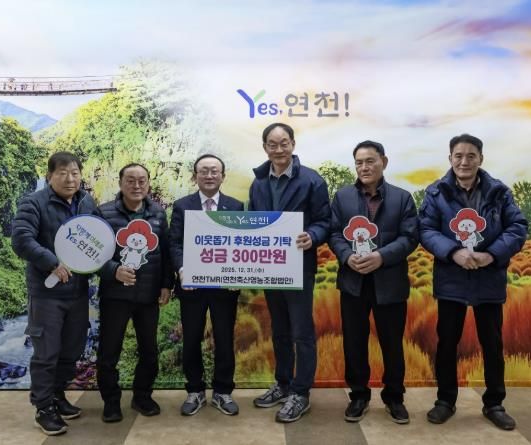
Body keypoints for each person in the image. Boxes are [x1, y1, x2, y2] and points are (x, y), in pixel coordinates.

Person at [418, 134, 528, 430]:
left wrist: (492, 255)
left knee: (492, 343)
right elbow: (426, 229)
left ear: (481, 159)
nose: (464, 161)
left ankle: (494, 403)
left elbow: (517, 227)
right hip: (451, 280)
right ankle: (445, 401)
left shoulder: (499, 192)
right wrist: (453, 252)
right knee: (447, 343)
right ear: (450, 158)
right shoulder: (436, 193)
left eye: (470, 156)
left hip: (488, 279)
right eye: (458, 156)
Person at [328, 141, 418, 424]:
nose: (364, 167)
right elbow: (334, 234)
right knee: (354, 342)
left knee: (392, 343)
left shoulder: (403, 198)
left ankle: (394, 397)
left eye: (370, 161)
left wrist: (381, 256)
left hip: (389, 282)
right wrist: (346, 256)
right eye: (359, 162)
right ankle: (358, 395)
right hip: (353, 282)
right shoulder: (342, 197)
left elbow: (409, 237)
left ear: (384, 162)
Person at [249, 123, 330, 423]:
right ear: (265, 148)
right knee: (279, 329)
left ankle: (300, 392)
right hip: (270, 267)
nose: (279, 149)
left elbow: (325, 221)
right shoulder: (258, 183)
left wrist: (313, 235)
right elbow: (253, 222)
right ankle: (282, 383)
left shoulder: (312, 180)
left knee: (301, 331)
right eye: (272, 144)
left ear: (293, 144)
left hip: (299, 266)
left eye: (284, 143)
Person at [12, 151, 97, 436]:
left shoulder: (86, 202)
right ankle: (43, 408)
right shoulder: (33, 202)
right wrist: (52, 263)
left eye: (74, 173)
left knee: (71, 350)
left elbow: (97, 239)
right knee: (46, 353)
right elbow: (21, 239)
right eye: (62, 173)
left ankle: (58, 396)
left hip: (78, 291)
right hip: (46, 293)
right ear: (50, 176)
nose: (70, 179)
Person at [95, 163, 172, 423]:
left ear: (148, 184)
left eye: (142, 181)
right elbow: (92, 254)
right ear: (120, 183)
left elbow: (165, 253)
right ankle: (111, 402)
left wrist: (166, 285)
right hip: (115, 296)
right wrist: (113, 270)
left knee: (149, 350)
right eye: (130, 180)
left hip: (148, 296)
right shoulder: (104, 213)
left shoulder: (158, 213)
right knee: (109, 352)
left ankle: (142, 396)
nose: (136, 185)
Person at [169, 154, 244, 417]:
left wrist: (238, 276)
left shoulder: (235, 206)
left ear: (223, 176)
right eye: (204, 171)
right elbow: (175, 243)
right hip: (192, 287)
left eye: (214, 171)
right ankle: (195, 390)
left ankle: (223, 391)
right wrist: (182, 270)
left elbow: (241, 245)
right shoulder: (182, 206)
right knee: (191, 339)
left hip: (225, 288)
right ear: (195, 176)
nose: (209, 175)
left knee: (224, 339)